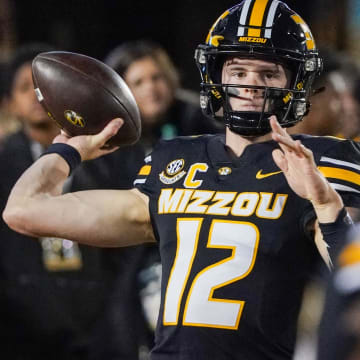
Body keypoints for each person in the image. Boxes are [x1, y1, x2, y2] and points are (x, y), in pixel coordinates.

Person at [3, 2, 360, 359]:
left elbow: (351, 287)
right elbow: (24, 210)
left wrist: (326, 204)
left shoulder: (323, 163)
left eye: (268, 74)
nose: (251, 85)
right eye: (238, 71)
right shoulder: (175, 160)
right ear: (217, 75)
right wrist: (68, 150)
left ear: (296, 82)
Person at [0, 43, 147, 359]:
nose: (37, 97)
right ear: (10, 104)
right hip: (24, 330)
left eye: (42, 87)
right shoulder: (2, 165)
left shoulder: (112, 160)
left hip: (101, 327)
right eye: (25, 88)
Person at [104, 39, 224, 154]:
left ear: (170, 78)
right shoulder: (111, 135)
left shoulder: (199, 116)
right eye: (138, 82)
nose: (150, 87)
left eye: (156, 78)